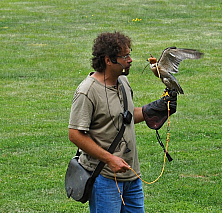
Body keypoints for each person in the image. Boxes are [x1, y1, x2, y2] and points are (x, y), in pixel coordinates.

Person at [68, 31, 177, 213]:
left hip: (131, 175)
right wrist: (110, 159)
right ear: (108, 60)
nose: (130, 60)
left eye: (129, 54)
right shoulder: (87, 91)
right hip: (104, 177)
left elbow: (126, 115)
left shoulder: (123, 82)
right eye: (125, 56)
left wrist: (157, 108)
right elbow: (75, 134)